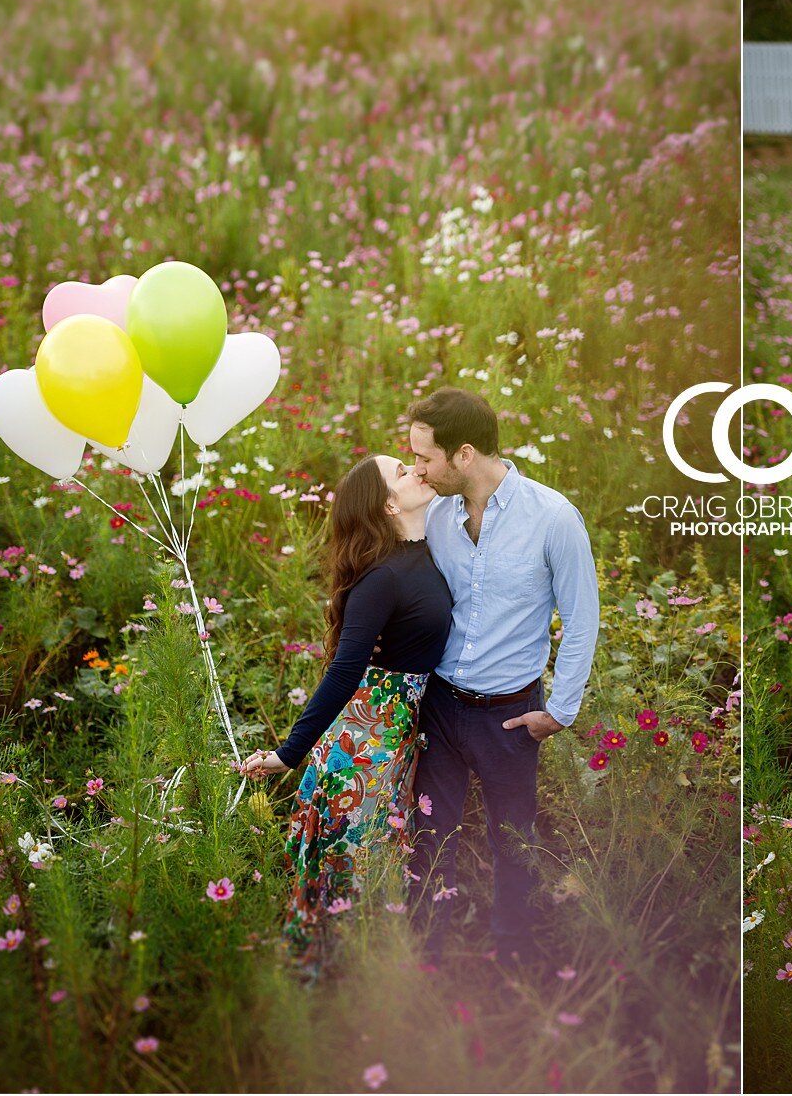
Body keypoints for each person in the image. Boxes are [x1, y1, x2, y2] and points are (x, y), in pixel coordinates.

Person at [405, 387, 600, 971]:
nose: (418, 468)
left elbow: (582, 618)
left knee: (514, 842)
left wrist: (559, 711)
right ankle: (426, 955)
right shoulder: (435, 515)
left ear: (464, 454)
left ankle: (512, 954)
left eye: (425, 457)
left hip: (510, 715)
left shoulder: (553, 519)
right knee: (430, 835)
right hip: (439, 705)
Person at [241, 454, 452, 973]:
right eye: (402, 471)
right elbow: (342, 672)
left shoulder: (428, 551)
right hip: (361, 751)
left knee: (374, 862)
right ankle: (331, 982)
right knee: (350, 870)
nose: (416, 472)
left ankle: (366, 976)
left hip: (394, 741)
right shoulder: (382, 578)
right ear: (387, 502)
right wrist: (289, 753)